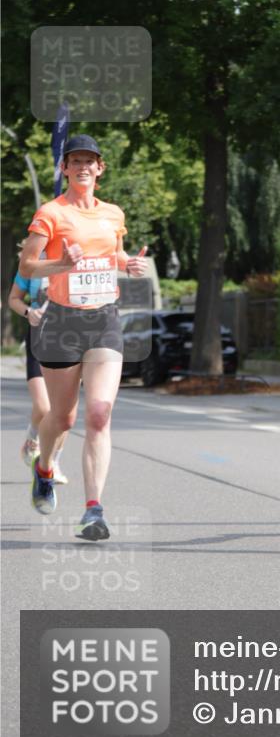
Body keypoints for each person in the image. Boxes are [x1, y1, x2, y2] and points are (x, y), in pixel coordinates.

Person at [19, 134, 148, 540]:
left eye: (90, 161)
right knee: (64, 416)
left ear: (100, 168)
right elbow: (28, 265)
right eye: (75, 161)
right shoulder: (50, 213)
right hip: (62, 323)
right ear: (65, 168)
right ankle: (43, 469)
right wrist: (60, 261)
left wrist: (129, 264)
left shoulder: (112, 214)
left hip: (104, 320)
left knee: (98, 414)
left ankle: (94, 510)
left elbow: (114, 253)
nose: (83, 168)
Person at [8, 251, 68, 484]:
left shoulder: (75, 260)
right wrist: (28, 311)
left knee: (63, 411)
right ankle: (32, 441)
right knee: (44, 407)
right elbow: (14, 298)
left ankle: (54, 462)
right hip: (39, 337)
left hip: (69, 337)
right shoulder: (32, 264)